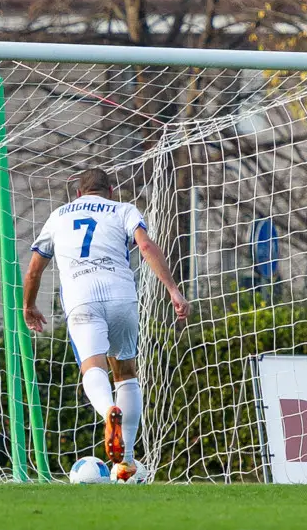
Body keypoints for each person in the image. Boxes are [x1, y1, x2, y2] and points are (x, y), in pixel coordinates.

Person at [22, 168, 189, 481]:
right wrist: (173, 290)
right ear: (110, 191)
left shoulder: (59, 216)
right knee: (125, 371)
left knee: (92, 365)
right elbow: (146, 247)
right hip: (121, 295)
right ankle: (125, 463)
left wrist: (29, 305)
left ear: (78, 193)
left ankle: (107, 411)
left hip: (81, 296)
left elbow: (34, 270)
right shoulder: (124, 210)